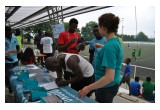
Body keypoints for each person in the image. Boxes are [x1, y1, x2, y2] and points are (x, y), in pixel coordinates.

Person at [78, 13, 123, 103]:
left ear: (103, 27)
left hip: (106, 87)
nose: (98, 29)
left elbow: (109, 77)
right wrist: (103, 47)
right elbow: (115, 53)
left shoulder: (110, 46)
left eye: (98, 26)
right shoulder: (116, 41)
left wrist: (88, 88)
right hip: (111, 85)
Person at [5, 26, 20, 94]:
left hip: (15, 60)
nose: (9, 34)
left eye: (10, 32)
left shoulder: (15, 37)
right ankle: (10, 88)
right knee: (9, 75)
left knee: (16, 74)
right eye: (7, 32)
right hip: (7, 61)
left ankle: (15, 87)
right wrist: (7, 58)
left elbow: (18, 47)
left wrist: (18, 51)